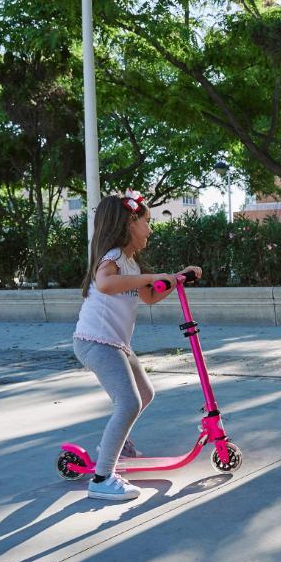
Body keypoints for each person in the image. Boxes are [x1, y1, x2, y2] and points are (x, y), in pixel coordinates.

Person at [73, 191, 201, 501]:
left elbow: (149, 296)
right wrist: (154, 275)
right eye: (147, 222)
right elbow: (104, 284)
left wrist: (175, 279)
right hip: (95, 341)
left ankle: (114, 447)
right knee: (129, 403)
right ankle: (102, 479)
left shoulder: (129, 262)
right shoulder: (113, 257)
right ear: (130, 223)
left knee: (145, 394)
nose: (151, 229)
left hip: (115, 343)